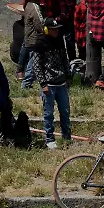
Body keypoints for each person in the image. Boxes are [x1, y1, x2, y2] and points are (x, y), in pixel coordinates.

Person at [37, 18, 73, 149]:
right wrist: (43, 83)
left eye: (57, 29)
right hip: (49, 85)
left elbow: (65, 59)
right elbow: (37, 66)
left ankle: (67, 137)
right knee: (49, 113)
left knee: (65, 111)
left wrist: (68, 76)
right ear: (46, 30)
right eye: (53, 29)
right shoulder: (40, 44)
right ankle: (50, 139)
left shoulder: (59, 42)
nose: (56, 31)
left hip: (61, 83)